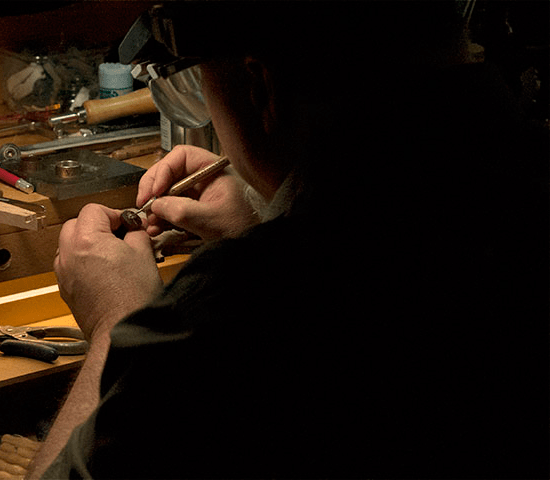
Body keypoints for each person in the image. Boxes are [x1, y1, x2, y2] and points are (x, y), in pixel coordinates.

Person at [30, 1, 548, 478]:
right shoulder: (515, 194)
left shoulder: (220, 324)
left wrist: (114, 321)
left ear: (261, 88)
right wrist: (268, 218)